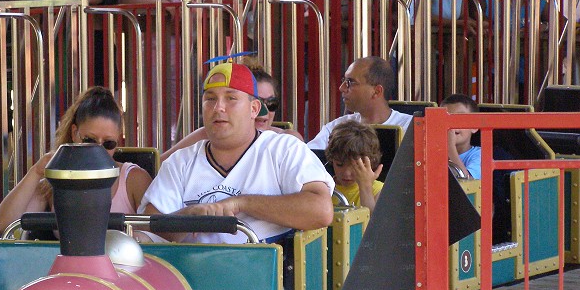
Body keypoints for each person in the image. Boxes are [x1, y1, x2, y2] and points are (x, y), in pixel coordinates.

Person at [138, 62, 335, 244]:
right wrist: (189, 216)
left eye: (231, 98)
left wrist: (242, 203)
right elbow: (147, 228)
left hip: (267, 275)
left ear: (254, 109)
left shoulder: (284, 149)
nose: (218, 108)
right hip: (190, 275)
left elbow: (321, 211)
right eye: (210, 99)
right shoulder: (180, 162)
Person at [0, 86, 152, 235]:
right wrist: (35, 172)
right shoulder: (55, 181)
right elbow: (3, 226)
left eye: (108, 143)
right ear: (75, 133)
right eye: (90, 140)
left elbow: (157, 235)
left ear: (117, 141)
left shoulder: (133, 179)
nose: (98, 150)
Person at [161, 63, 303, 160]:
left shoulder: (289, 143)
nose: (263, 111)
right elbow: (158, 166)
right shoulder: (208, 136)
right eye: (211, 99)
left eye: (271, 103)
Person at [308, 56, 412, 150]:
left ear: (377, 91)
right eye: (343, 81)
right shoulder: (335, 128)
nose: (341, 88)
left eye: (350, 82)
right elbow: (308, 159)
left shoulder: (411, 129)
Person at [326, 120, 383, 212]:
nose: (346, 173)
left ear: (370, 162)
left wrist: (365, 187)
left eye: (356, 166)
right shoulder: (323, 186)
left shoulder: (378, 190)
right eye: (339, 164)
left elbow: (374, 224)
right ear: (331, 160)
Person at [440, 93, 480, 179]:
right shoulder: (433, 151)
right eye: (446, 119)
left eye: (459, 118)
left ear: (474, 126)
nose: (453, 125)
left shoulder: (479, 155)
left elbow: (468, 183)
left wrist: (450, 146)